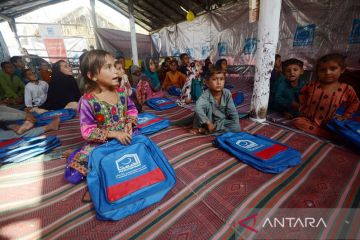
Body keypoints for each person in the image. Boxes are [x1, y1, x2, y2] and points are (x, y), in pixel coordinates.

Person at [68, 49, 138, 183]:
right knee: (78, 172)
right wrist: (114, 134)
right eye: (108, 67)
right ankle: (73, 156)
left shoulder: (122, 92)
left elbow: (131, 109)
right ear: (92, 75)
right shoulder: (88, 101)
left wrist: (129, 123)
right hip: (101, 143)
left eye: (115, 66)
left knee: (142, 151)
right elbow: (87, 131)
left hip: (125, 134)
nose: (116, 71)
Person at [292, 53, 359, 139]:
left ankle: (327, 133)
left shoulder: (346, 88)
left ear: (342, 70)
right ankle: (327, 135)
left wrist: (345, 116)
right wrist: (302, 108)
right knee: (296, 121)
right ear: (318, 72)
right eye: (322, 70)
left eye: (333, 69)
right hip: (308, 120)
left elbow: (355, 102)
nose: (327, 73)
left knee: (342, 128)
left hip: (329, 122)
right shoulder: (311, 85)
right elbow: (302, 94)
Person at [191, 69, 240, 135]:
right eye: (214, 79)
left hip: (219, 122)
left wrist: (236, 124)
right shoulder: (206, 95)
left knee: (236, 128)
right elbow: (198, 108)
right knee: (204, 106)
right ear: (207, 83)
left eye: (221, 79)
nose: (219, 82)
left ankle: (207, 131)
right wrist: (208, 122)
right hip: (206, 121)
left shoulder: (227, 93)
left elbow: (233, 111)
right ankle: (200, 128)